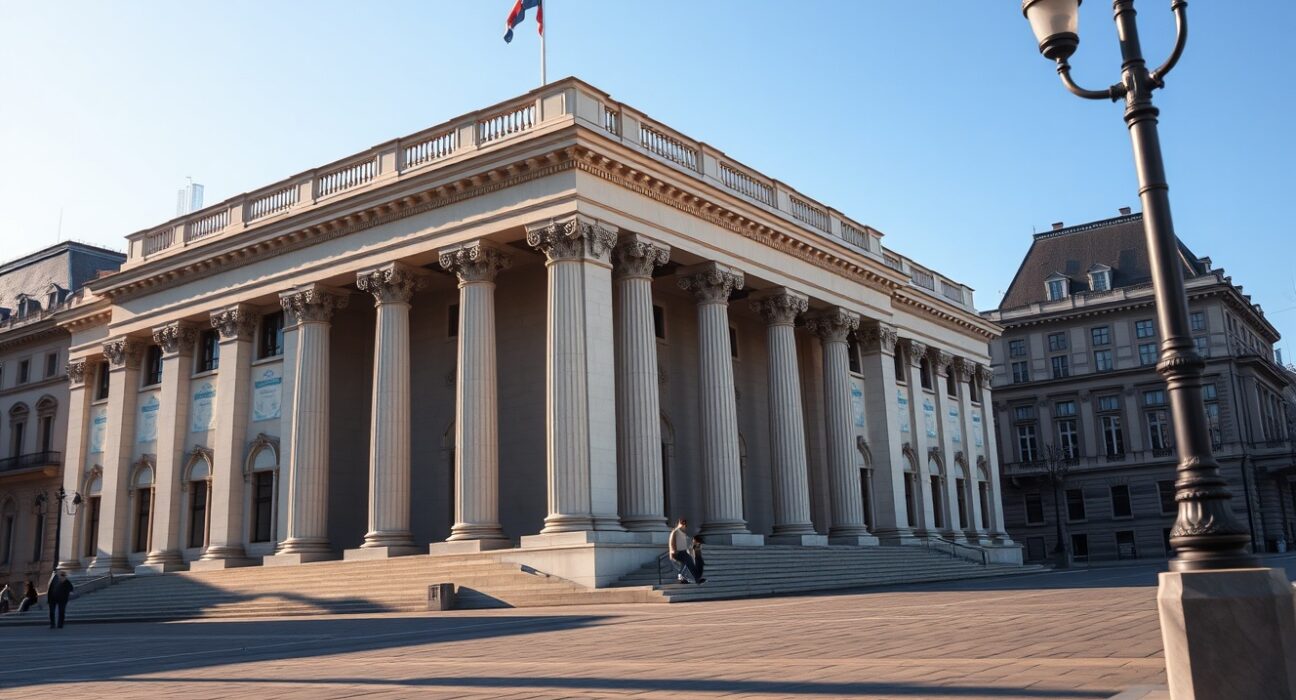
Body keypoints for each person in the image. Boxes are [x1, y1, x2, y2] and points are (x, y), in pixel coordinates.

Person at [668, 517, 705, 585]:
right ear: (679, 524)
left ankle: (681, 577)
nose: (684, 527)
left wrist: (692, 547)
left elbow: (687, 544)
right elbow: (672, 542)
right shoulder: (675, 531)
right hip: (677, 552)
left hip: (683, 552)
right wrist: (674, 550)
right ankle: (697, 579)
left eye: (685, 525)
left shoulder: (683, 534)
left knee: (685, 564)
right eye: (682, 524)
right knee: (688, 560)